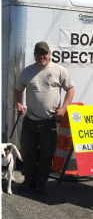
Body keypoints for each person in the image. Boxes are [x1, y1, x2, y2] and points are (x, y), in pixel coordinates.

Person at [13, 41, 75, 194]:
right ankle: (29, 181)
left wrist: (63, 108)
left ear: (49, 54)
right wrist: (18, 104)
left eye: (44, 53)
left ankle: (41, 182)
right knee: (28, 153)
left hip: (50, 122)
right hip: (30, 121)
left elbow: (70, 90)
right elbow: (17, 90)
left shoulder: (59, 70)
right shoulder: (27, 72)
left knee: (47, 155)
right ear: (34, 55)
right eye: (38, 53)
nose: (41, 56)